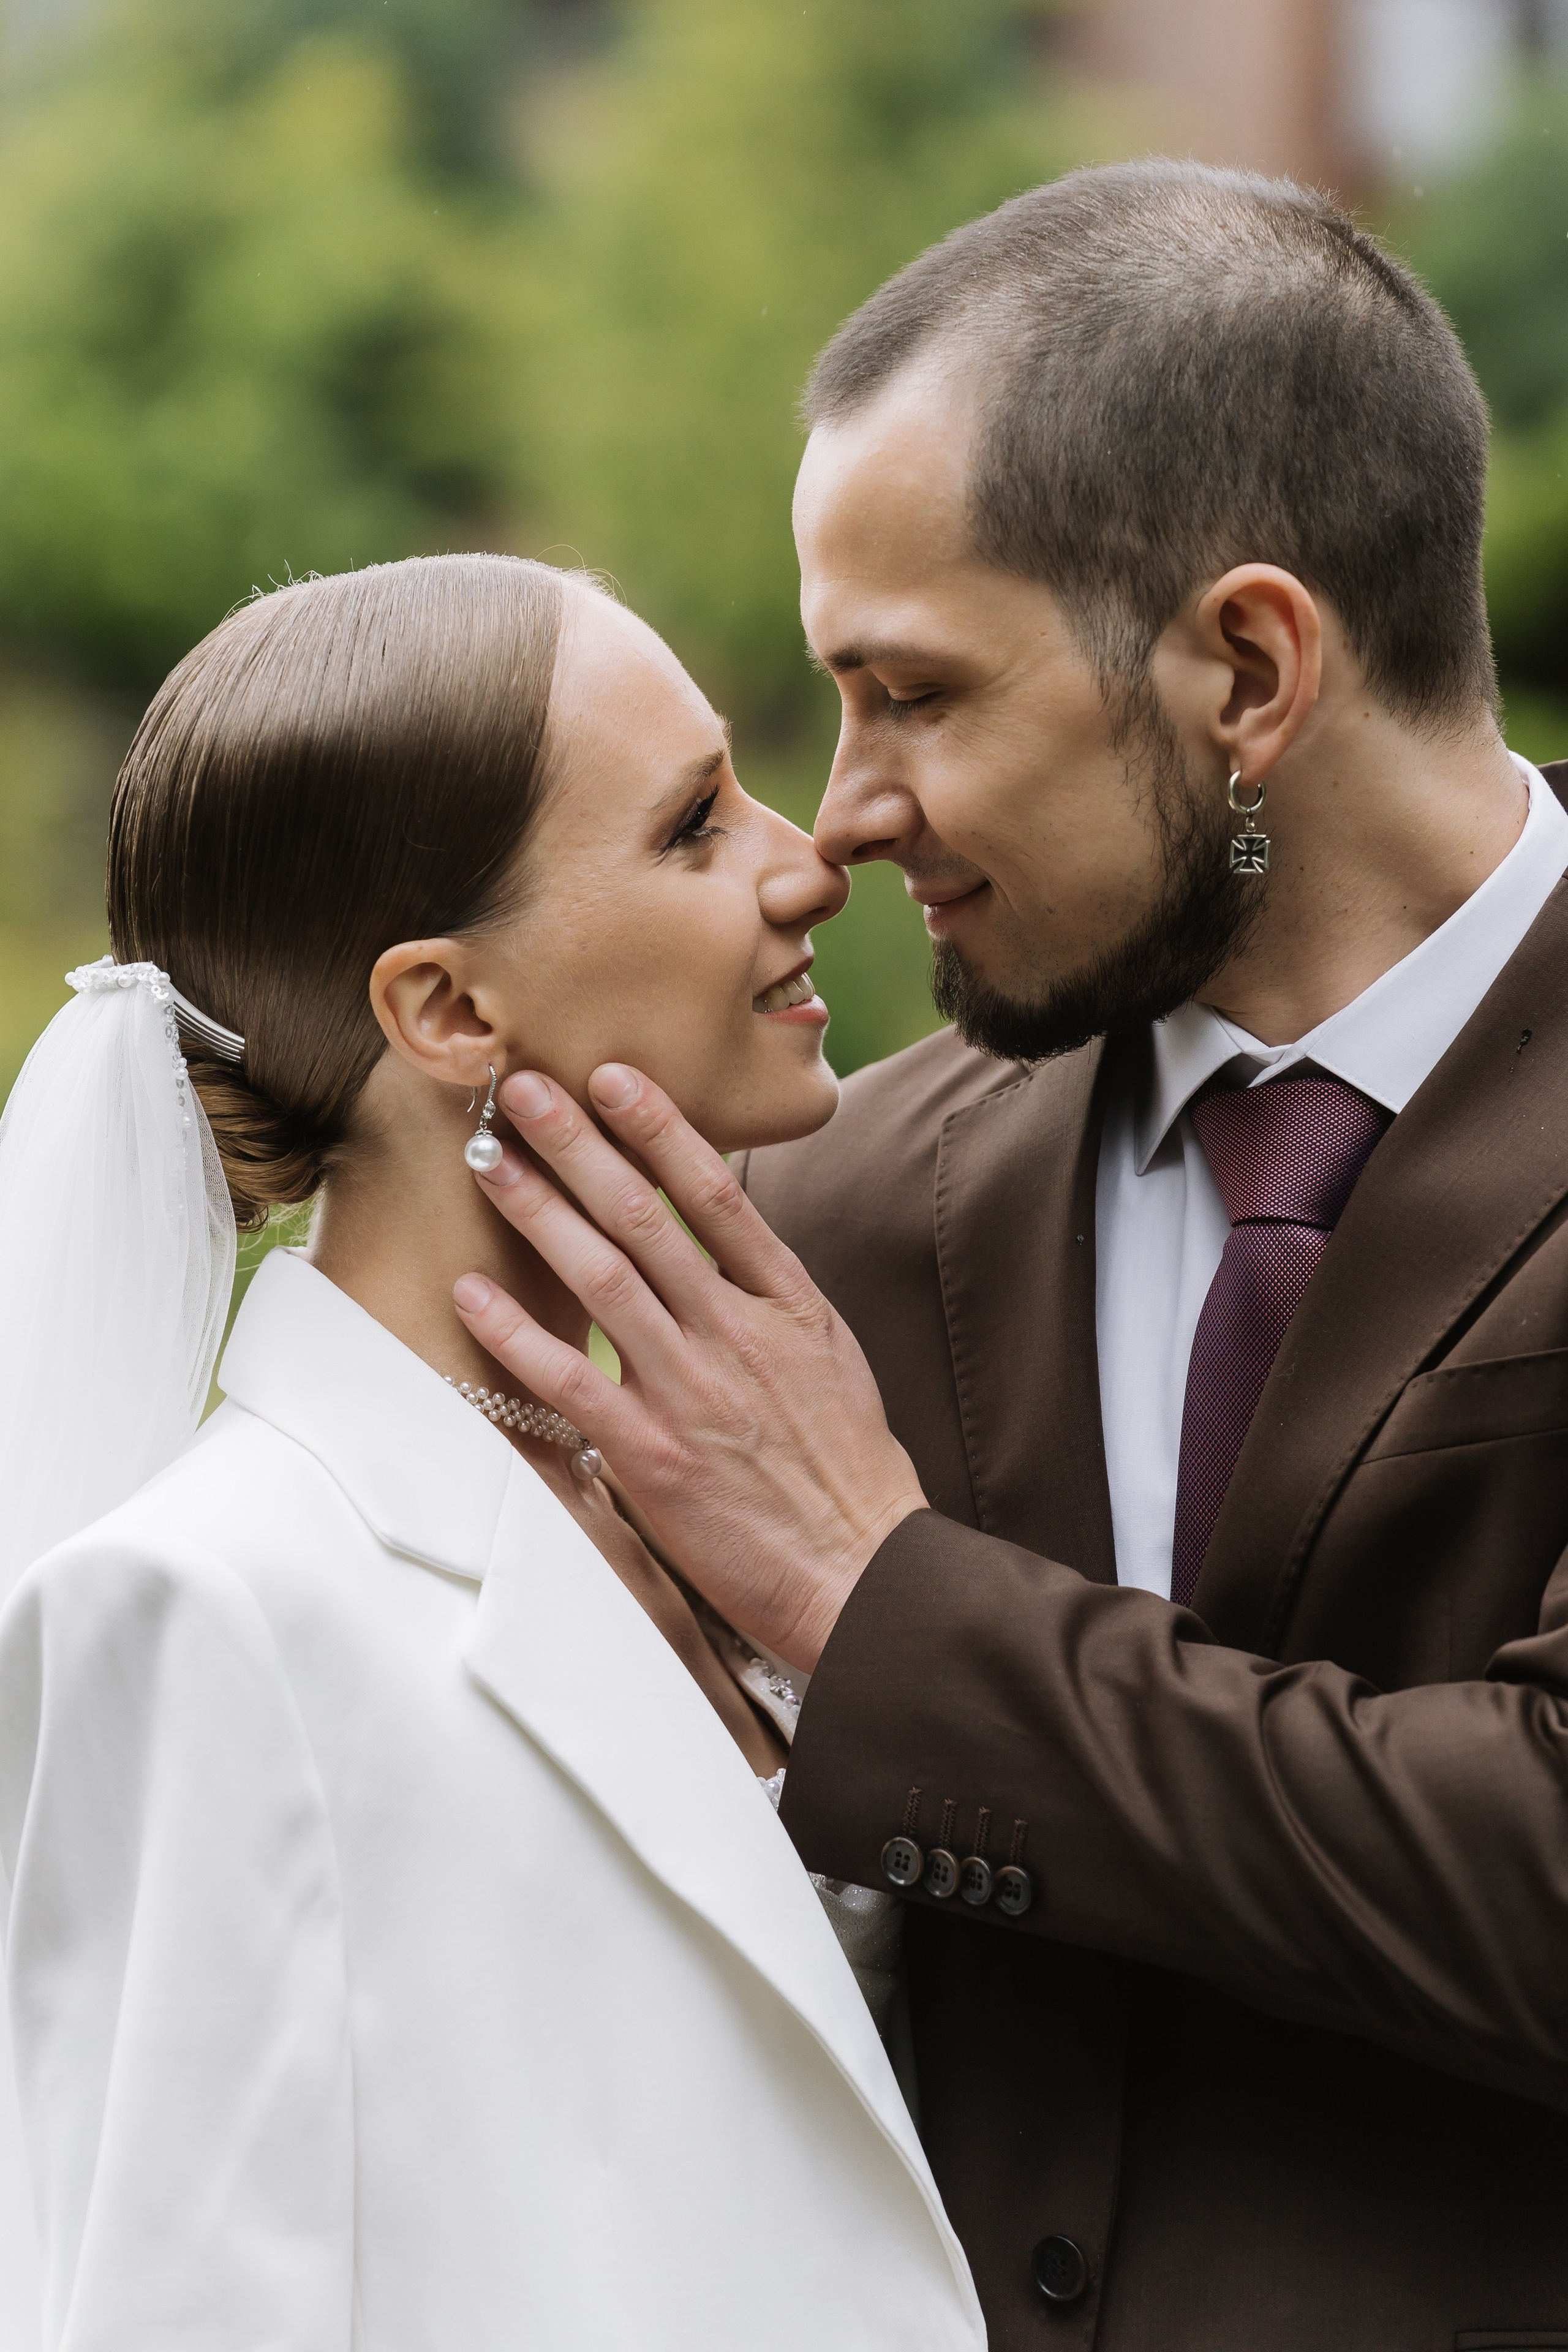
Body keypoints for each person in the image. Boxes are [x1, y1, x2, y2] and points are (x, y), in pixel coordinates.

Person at [447, 163, 1568, 2349]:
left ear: (1249, 668)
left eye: (917, 695)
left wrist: (882, 1620)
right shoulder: (823, 1215)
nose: (840, 812)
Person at [0, 554, 984, 2351]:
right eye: (695, 827)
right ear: (447, 1012)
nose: (807, 865)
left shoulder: (707, 1503)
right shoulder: (204, 1610)